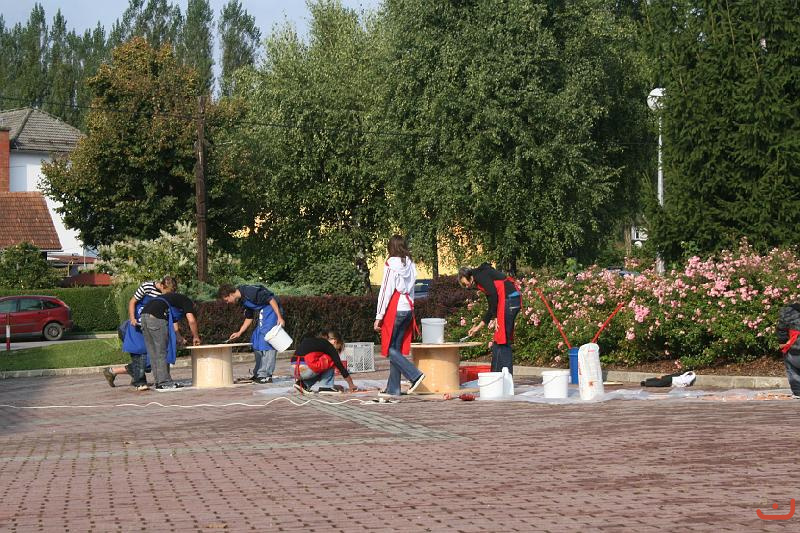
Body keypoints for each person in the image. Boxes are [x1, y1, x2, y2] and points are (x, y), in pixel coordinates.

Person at [103, 276, 178, 389]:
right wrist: (132, 318)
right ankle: (137, 380)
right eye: (166, 292)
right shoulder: (147, 287)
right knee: (143, 357)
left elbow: (171, 316)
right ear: (162, 286)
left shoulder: (166, 297)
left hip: (151, 328)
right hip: (136, 326)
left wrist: (176, 333)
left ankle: (114, 372)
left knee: (151, 359)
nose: (167, 295)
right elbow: (132, 301)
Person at [373, 235, 425, 396]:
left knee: (389, 349)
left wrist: (379, 316)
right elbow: (412, 290)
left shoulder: (391, 264)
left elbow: (385, 291)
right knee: (396, 349)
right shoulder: (410, 264)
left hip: (396, 309)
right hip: (408, 308)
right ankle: (393, 388)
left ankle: (414, 375)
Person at [458, 263, 521, 374]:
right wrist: (478, 327)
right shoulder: (481, 278)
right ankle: (495, 375)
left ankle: (505, 378)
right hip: (511, 300)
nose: (467, 286)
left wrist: (496, 316)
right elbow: (491, 306)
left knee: (503, 341)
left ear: (470, 277)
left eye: (465, 283)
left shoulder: (480, 276)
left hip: (509, 300)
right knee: (498, 341)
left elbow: (493, 295)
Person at [218, 283, 286, 384]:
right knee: (256, 340)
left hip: (272, 310)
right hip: (264, 312)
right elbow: (249, 317)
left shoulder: (250, 291)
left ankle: (266, 375)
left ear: (230, 294)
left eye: (226, 300)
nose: (227, 303)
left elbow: (271, 299)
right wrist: (239, 332)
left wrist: (279, 317)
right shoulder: (242, 300)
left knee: (267, 341)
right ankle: (258, 373)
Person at [140, 291, 201, 389]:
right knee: (162, 351)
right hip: (156, 317)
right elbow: (192, 321)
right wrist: (196, 336)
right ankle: (165, 382)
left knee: (153, 352)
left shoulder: (173, 300)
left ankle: (159, 381)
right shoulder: (188, 302)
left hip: (144, 315)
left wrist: (178, 337)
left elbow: (173, 322)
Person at [292, 329, 358, 394]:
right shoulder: (327, 345)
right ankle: (326, 387)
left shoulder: (312, 341)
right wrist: (351, 384)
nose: (337, 351)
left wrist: (334, 386)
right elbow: (339, 365)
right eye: (338, 348)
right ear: (335, 341)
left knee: (319, 366)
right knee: (330, 360)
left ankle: (303, 384)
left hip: (294, 370)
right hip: (306, 369)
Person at [776, 302, 800, 399]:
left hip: (794, 348)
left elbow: (781, 330)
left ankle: (798, 392)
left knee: (792, 369)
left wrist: (782, 341)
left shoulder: (788, 312)